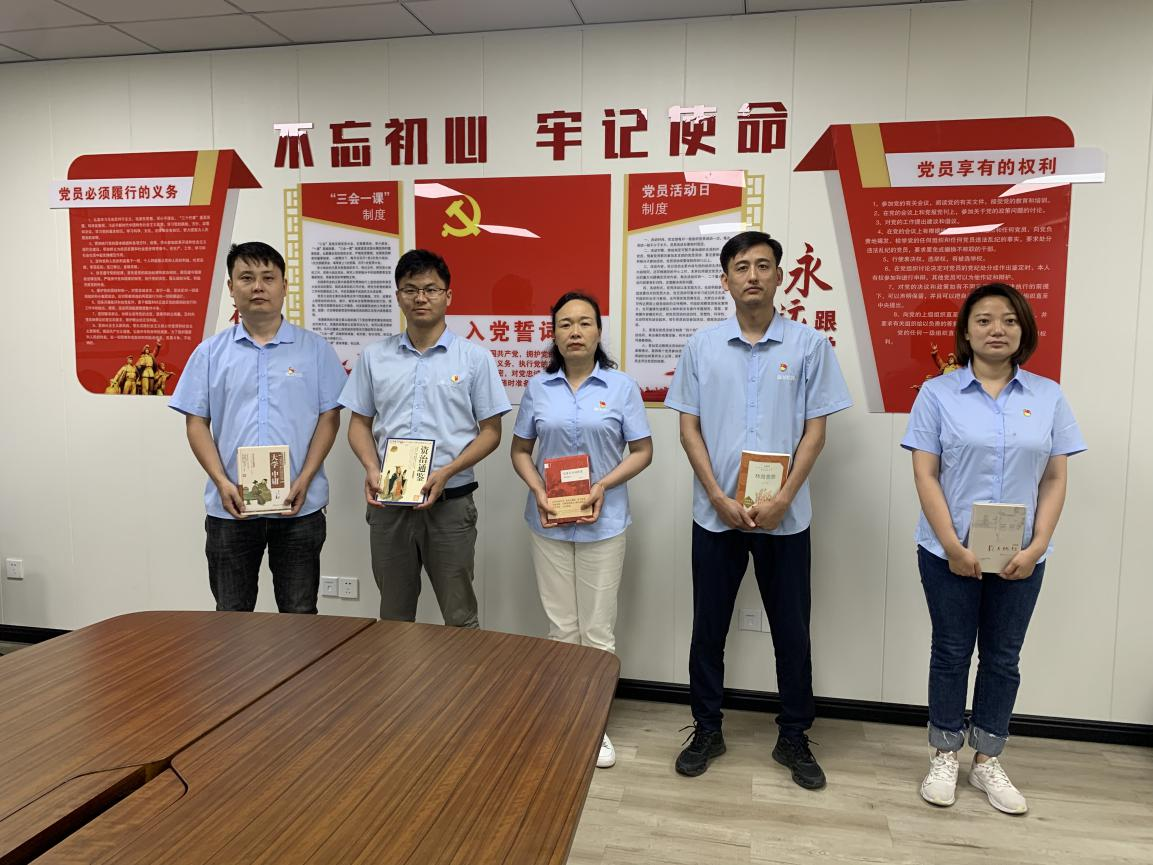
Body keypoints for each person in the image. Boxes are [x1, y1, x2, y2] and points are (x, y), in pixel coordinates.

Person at [665, 230, 852, 789]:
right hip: (715, 514)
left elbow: (816, 432)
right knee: (708, 628)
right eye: (741, 266)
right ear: (725, 281)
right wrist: (717, 496)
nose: (752, 275)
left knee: (792, 630)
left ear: (780, 276)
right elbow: (688, 429)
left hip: (785, 518)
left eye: (763, 265)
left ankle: (793, 735)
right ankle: (707, 728)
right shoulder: (701, 347)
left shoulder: (809, 346)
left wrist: (784, 497)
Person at [902, 282, 1085, 815]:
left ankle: (986, 759)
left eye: (1008, 319)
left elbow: (1054, 477)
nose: (996, 329)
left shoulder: (1048, 396)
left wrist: (1038, 544)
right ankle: (944, 753)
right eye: (983, 320)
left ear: (1024, 330)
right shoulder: (937, 394)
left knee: (1003, 657)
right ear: (966, 331)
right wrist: (952, 545)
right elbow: (925, 473)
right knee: (951, 651)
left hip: (1020, 556)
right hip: (948, 551)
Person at [510, 292, 653, 770]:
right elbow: (520, 451)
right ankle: (562, 719)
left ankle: (593, 724)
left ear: (598, 332)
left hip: (603, 523)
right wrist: (538, 489)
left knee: (596, 630)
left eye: (584, 322)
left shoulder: (622, 387)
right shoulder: (538, 387)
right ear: (553, 333)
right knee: (561, 628)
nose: (575, 331)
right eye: (565, 323)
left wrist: (602, 485)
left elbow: (642, 451)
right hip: (549, 521)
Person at [170, 241, 347, 613]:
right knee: (231, 615)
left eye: (268, 278)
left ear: (284, 285)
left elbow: (329, 417)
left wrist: (306, 477)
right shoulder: (210, 353)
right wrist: (221, 481)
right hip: (231, 507)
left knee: (300, 615)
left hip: (299, 506)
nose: (258, 287)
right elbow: (196, 422)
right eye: (246, 278)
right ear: (231, 288)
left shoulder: (314, 350)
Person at [341, 249, 511, 627]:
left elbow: (491, 432)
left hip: (451, 503)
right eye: (410, 289)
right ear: (398, 296)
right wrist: (371, 468)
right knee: (394, 616)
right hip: (390, 502)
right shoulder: (375, 357)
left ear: (448, 296)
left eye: (431, 289)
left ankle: (463, 673)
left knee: (460, 616)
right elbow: (358, 424)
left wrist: (448, 471)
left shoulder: (474, 358)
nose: (421, 298)